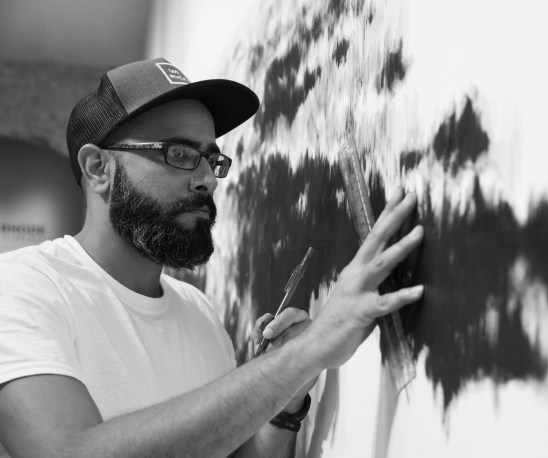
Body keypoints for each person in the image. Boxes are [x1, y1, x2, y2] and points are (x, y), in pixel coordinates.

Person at [0, 58, 424, 458]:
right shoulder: (23, 285)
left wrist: (285, 396)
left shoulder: (198, 310)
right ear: (97, 168)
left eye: (211, 158)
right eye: (179, 154)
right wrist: (305, 353)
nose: (207, 180)